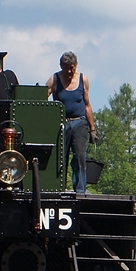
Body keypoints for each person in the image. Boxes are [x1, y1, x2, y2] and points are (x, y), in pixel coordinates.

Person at [45, 51, 96, 194]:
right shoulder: (54, 79)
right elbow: (42, 99)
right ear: (61, 66)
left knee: (80, 155)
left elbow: (87, 105)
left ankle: (80, 190)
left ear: (76, 65)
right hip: (61, 124)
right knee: (60, 157)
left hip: (80, 123)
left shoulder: (83, 79)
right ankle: (57, 188)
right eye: (66, 67)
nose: (69, 71)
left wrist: (92, 129)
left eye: (71, 67)